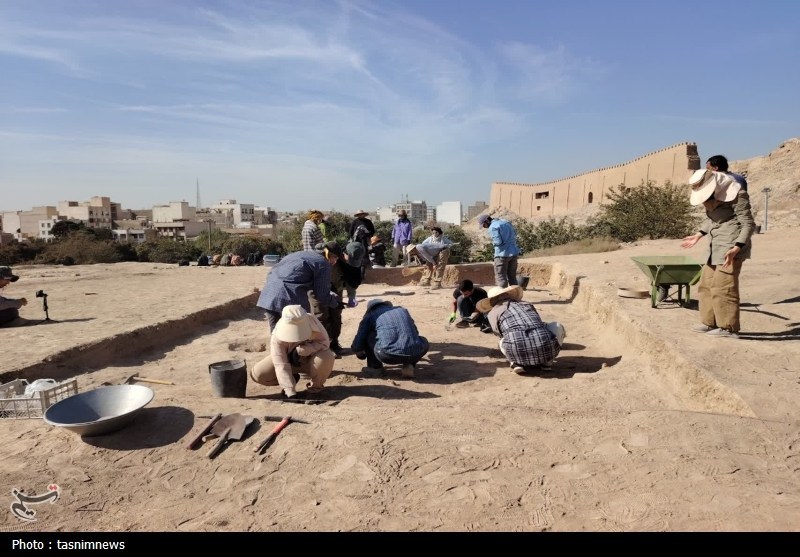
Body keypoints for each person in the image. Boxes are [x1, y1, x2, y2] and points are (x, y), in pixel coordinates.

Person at [680, 168, 755, 338]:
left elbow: (748, 223)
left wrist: (737, 247)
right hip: (715, 245)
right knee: (706, 285)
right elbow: (712, 219)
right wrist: (698, 235)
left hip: (731, 245)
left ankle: (728, 328)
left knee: (724, 287)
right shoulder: (712, 196)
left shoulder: (737, 193)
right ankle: (709, 322)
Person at [250, 305, 335, 400]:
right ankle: (291, 379)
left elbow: (324, 343)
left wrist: (303, 350)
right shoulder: (277, 335)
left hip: (310, 361)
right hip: (288, 361)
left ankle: (315, 390)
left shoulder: (312, 321)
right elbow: (280, 364)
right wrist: (290, 392)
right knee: (258, 374)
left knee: (327, 356)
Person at [476, 285, 565, 374]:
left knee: (502, 341)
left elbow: (498, 333)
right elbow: (538, 322)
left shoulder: (493, 313)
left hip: (516, 348)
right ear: (508, 294)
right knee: (556, 326)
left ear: (492, 301)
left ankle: (516, 363)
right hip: (548, 348)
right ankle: (547, 361)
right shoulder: (526, 304)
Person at [256, 241, 341, 331]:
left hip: (269, 294)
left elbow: (296, 278)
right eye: (335, 258)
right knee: (297, 334)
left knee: (276, 334)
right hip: (289, 298)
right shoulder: (323, 263)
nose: (335, 262)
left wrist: (330, 294)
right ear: (329, 255)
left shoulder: (300, 254)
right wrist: (335, 304)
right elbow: (322, 295)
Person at [351, 299, 429, 379]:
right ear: (386, 305)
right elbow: (415, 332)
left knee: (369, 335)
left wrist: (359, 353)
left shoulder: (370, 315)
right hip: (416, 353)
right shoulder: (402, 310)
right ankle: (409, 365)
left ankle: (375, 368)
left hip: (388, 355)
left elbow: (359, 340)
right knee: (421, 339)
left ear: (370, 309)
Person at [477, 214, 521, 288]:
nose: (484, 227)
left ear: (487, 221)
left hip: (502, 255)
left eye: (484, 225)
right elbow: (515, 234)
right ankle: (515, 295)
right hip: (514, 253)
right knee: (512, 277)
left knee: (501, 277)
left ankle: (503, 296)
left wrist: (493, 243)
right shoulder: (506, 222)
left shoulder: (493, 227)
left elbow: (498, 242)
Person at [350, 209, 375, 278]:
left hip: (365, 240)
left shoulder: (368, 222)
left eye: (362, 214)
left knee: (365, 254)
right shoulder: (355, 222)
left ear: (364, 214)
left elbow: (372, 231)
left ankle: (364, 271)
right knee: (356, 254)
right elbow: (351, 231)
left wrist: (367, 235)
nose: (361, 215)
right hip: (356, 241)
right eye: (359, 214)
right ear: (358, 215)